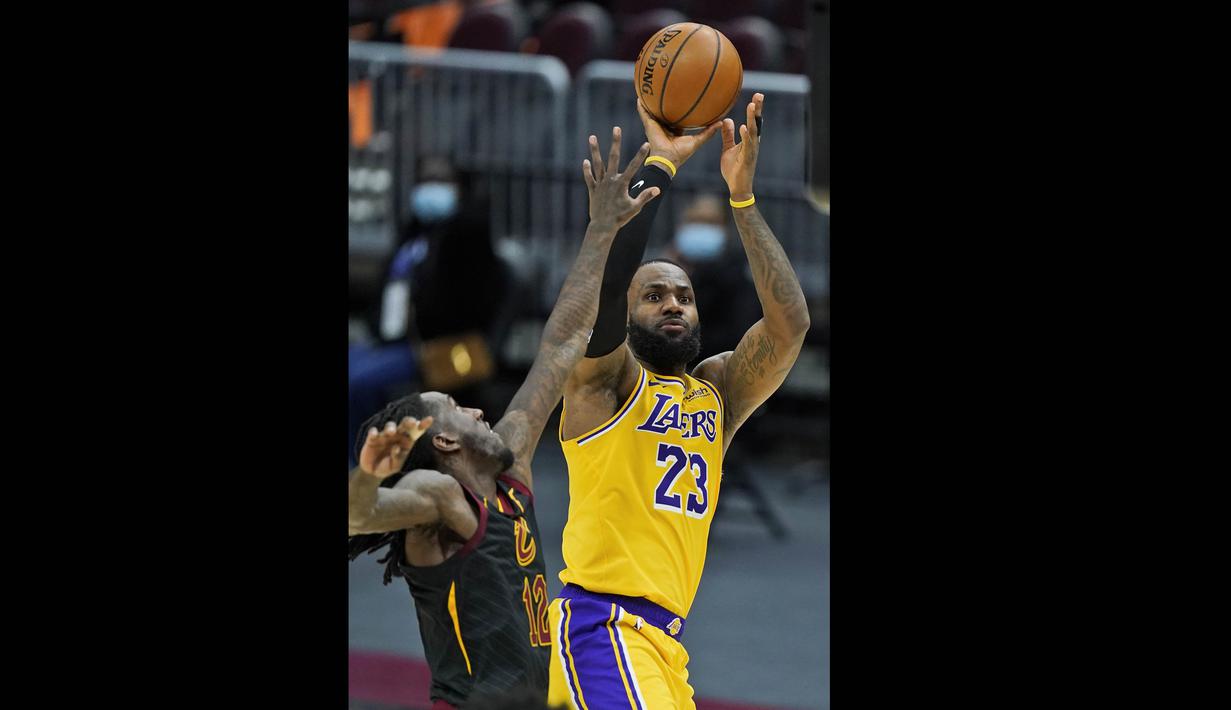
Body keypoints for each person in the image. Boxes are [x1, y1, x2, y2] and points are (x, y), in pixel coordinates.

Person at [348, 129, 662, 708]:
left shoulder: (509, 464)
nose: (473, 407)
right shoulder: (437, 495)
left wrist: (600, 228)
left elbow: (562, 342)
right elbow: (359, 516)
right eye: (456, 409)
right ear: (443, 440)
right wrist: (367, 475)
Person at [548, 93, 811, 709]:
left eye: (683, 297)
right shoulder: (606, 386)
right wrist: (661, 167)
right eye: (655, 296)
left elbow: (789, 325)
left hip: (666, 645)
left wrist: (742, 199)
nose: (673, 304)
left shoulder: (714, 392)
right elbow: (608, 285)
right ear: (629, 314)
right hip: (602, 628)